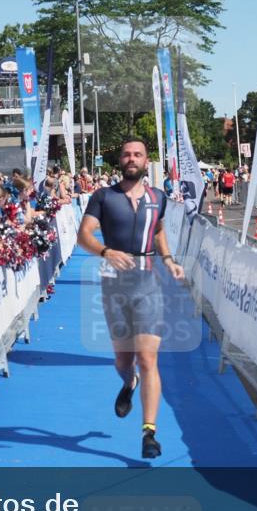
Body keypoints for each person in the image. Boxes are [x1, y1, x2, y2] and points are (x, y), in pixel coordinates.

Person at [77, 138, 185, 460]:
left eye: (137, 154)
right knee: (124, 361)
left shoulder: (158, 198)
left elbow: (159, 229)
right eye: (126, 154)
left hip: (149, 282)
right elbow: (83, 235)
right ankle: (129, 382)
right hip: (115, 286)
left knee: (148, 357)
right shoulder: (103, 197)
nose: (132, 159)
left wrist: (168, 259)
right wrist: (106, 252)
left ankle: (148, 433)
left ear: (146, 160)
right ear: (120, 160)